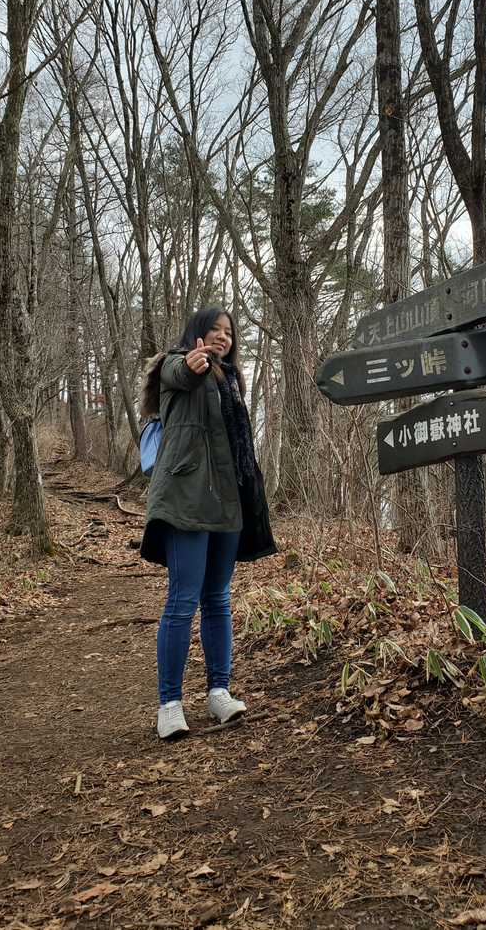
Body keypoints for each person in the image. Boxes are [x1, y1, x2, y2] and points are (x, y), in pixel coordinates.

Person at [139, 307, 277, 739]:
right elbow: (183, 372)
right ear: (197, 335)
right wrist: (193, 364)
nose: (223, 337)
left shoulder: (232, 381)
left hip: (229, 500)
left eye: (229, 332)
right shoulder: (175, 366)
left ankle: (219, 691)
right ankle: (170, 704)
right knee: (182, 601)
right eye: (214, 330)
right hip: (188, 498)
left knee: (217, 598)